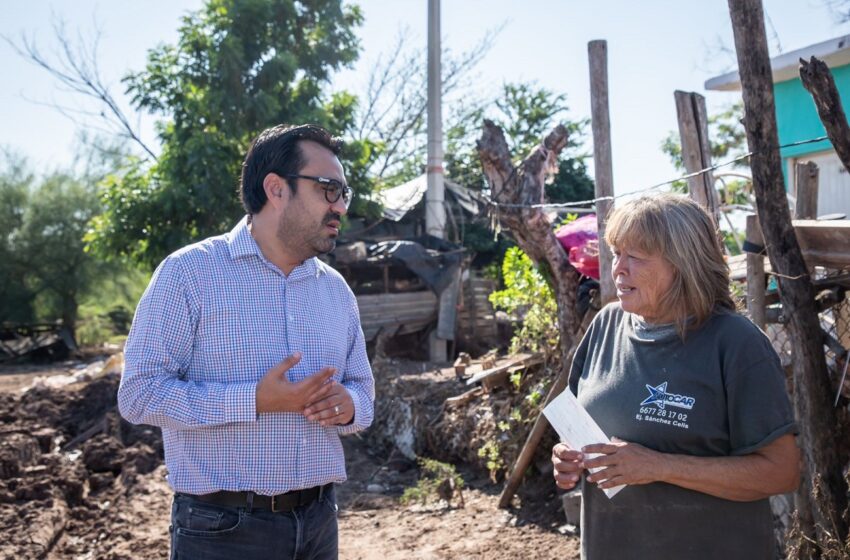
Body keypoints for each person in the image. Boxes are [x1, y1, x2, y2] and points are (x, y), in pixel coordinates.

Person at [118, 123, 375, 560]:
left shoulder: (335, 291)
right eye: (329, 190)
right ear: (276, 188)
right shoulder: (189, 275)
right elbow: (138, 395)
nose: (340, 208)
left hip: (319, 522)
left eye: (343, 194)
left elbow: (364, 392)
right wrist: (254, 400)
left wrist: (348, 405)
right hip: (223, 531)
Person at [551, 193, 800, 559]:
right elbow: (575, 429)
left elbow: (781, 473)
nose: (618, 268)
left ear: (684, 264)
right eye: (616, 252)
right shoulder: (605, 325)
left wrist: (659, 466)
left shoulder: (735, 344)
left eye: (635, 256)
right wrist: (566, 458)